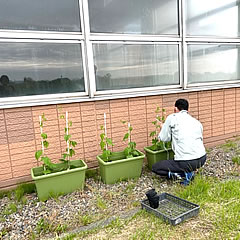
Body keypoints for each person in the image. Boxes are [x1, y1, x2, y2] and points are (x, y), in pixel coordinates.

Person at [152, 99, 206, 185]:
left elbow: (164, 138)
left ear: (175, 109)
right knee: (185, 161)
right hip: (202, 159)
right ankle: (189, 170)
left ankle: (183, 175)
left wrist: (163, 127)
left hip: (186, 161)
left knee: (156, 167)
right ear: (187, 110)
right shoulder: (196, 122)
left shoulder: (172, 118)